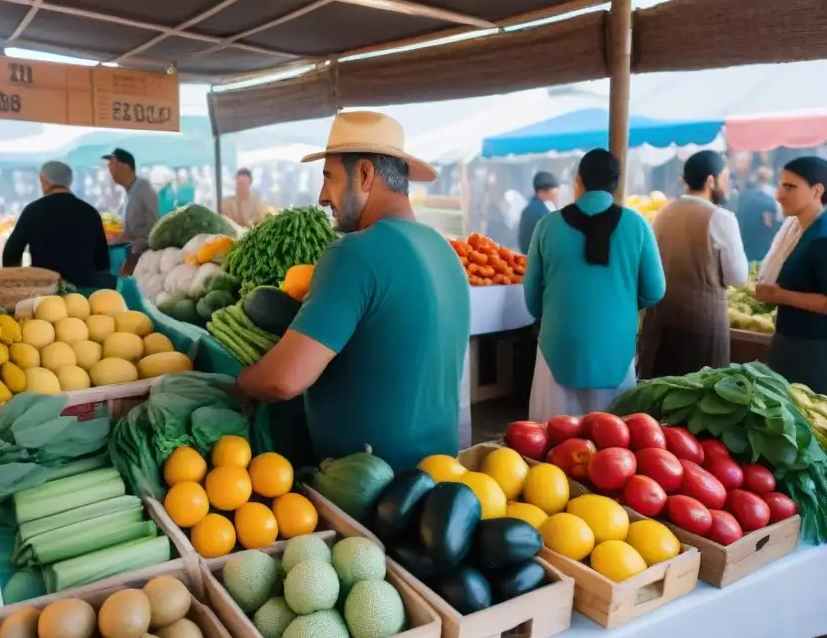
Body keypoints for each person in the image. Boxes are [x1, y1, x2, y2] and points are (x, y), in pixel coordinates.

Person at [236, 111, 470, 471]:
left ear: (363, 175)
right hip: (440, 477)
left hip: (370, 487)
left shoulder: (354, 254)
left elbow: (284, 381)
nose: (321, 196)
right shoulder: (444, 251)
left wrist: (242, 381)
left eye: (328, 177)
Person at [524, 149, 665, 421]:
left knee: (551, 442)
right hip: (616, 349)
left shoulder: (547, 225)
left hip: (558, 348)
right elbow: (655, 290)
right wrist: (620, 302)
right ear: (617, 184)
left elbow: (531, 295)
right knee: (611, 443)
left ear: (578, 181)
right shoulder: (637, 225)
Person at [638, 150, 748, 378]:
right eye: (725, 178)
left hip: (661, 322)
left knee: (660, 396)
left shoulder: (663, 212)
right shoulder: (721, 217)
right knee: (698, 398)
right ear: (711, 180)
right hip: (703, 326)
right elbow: (737, 277)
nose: (728, 186)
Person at [755, 157, 827, 393]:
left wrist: (780, 295)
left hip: (813, 351)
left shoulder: (822, 238)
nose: (779, 195)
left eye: (790, 187)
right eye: (780, 185)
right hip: (788, 342)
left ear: (817, 190)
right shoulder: (795, 231)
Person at [3, 161, 110, 286]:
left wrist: (16, 284)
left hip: (45, 289)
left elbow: (11, 253)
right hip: (83, 291)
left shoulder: (33, 211)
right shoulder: (90, 212)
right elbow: (103, 261)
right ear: (69, 181)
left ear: (43, 179)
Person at [105, 148, 159, 274]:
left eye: (112, 164)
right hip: (133, 255)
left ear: (124, 166)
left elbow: (156, 231)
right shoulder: (130, 191)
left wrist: (134, 242)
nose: (110, 170)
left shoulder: (143, 189)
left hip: (145, 260)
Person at [736, 166, 781, 263]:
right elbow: (770, 222)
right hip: (762, 250)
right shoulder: (771, 196)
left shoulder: (744, 194)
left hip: (745, 248)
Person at [518, 171, 559, 254]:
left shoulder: (531, 207)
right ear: (543, 192)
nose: (558, 193)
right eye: (555, 189)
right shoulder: (541, 213)